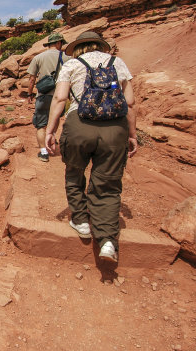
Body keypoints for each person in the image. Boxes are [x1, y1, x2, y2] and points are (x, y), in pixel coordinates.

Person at [44, 31, 137, 263]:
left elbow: (59, 99)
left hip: (79, 124)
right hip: (115, 128)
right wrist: (132, 134)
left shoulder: (72, 65)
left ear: (78, 47)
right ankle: (106, 241)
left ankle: (81, 220)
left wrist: (50, 130)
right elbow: (131, 102)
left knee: (74, 171)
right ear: (100, 45)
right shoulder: (118, 63)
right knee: (107, 182)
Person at [27, 32, 70, 162]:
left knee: (40, 125)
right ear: (58, 43)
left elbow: (32, 78)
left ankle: (44, 152)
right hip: (61, 97)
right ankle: (51, 137)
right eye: (61, 43)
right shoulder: (67, 58)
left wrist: (30, 94)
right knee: (54, 119)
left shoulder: (38, 57)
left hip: (43, 96)